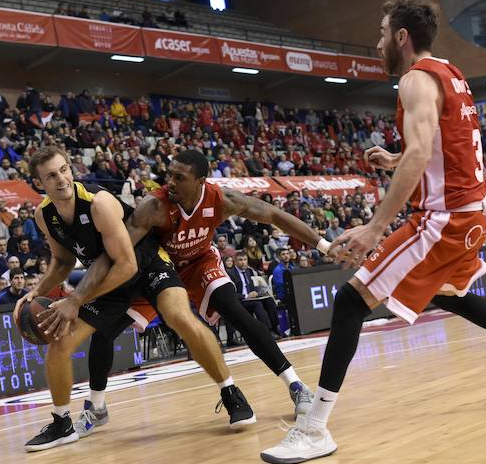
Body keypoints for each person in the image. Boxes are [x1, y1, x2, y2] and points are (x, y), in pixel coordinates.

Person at [260, 0, 486, 464]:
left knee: (350, 301)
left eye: (384, 33)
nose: (378, 42)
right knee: (447, 293)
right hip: (477, 210)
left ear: (402, 37)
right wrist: (398, 158)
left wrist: (374, 227)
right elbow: (443, 146)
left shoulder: (413, 79)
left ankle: (314, 428)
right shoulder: (451, 72)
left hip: (445, 219)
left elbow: (422, 148)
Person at [15, 147, 253, 452]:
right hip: (106, 279)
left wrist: (77, 299)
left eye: (64, 169)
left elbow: (127, 265)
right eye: (51, 175)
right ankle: (62, 422)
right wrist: (36, 292)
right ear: (38, 184)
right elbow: (62, 262)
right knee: (60, 344)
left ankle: (230, 392)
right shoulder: (44, 215)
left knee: (179, 317)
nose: (61, 178)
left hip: (146, 263)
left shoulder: (98, 203)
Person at [80, 150, 329, 422]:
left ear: (200, 181)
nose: (170, 182)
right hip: (158, 269)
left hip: (200, 262)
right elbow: (118, 251)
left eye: (179, 177)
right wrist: (81, 294)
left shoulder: (222, 199)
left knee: (236, 312)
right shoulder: (154, 206)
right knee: (103, 332)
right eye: (169, 175)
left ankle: (297, 387)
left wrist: (324, 245)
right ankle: (97, 407)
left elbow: (274, 216)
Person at [227, 252, 281, 336]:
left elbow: (252, 287)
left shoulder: (249, 271)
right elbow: (231, 294)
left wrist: (259, 292)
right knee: (257, 304)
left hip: (251, 298)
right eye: (240, 260)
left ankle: (275, 327)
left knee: (269, 300)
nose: (243, 262)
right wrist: (246, 296)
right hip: (240, 300)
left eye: (245, 260)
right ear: (235, 261)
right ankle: (267, 332)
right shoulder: (230, 273)